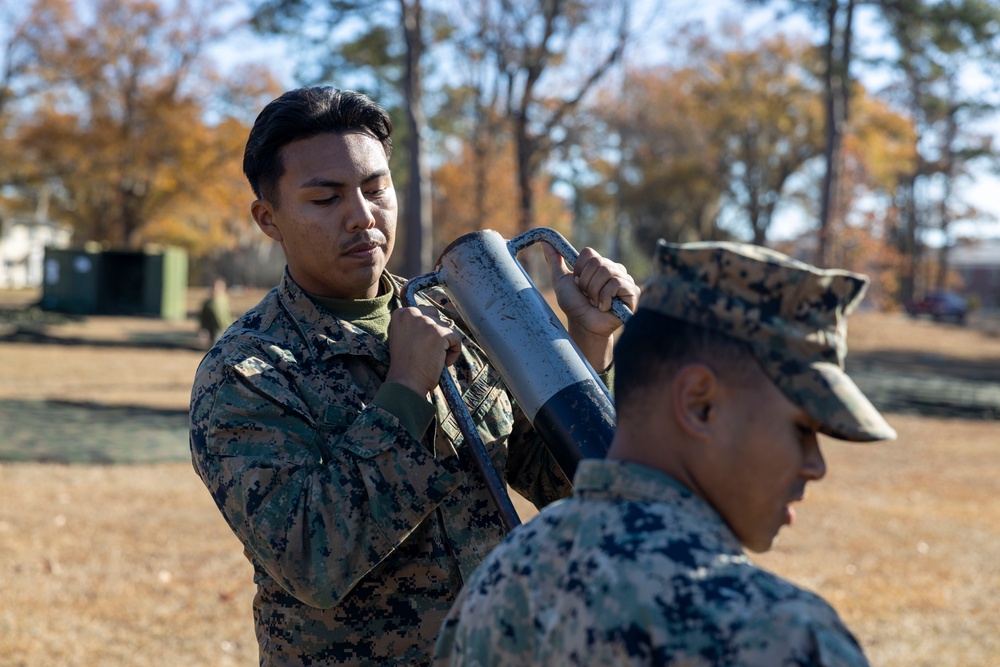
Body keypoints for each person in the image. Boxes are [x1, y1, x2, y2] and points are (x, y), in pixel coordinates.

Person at [188, 86, 639, 667]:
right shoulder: (246, 372)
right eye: (326, 198)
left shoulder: (460, 315)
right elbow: (312, 562)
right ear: (269, 219)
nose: (363, 217)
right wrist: (405, 390)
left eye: (376, 188)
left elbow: (559, 480)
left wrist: (586, 341)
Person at [434, 240, 898, 667]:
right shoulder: (782, 636)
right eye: (801, 429)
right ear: (699, 404)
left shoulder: (497, 587)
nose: (815, 465)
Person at [198, 277, 234, 346]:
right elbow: (204, 319)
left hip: (228, 329)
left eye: (220, 287)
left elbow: (231, 314)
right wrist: (204, 331)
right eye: (215, 287)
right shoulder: (208, 304)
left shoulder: (226, 300)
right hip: (216, 332)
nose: (217, 289)